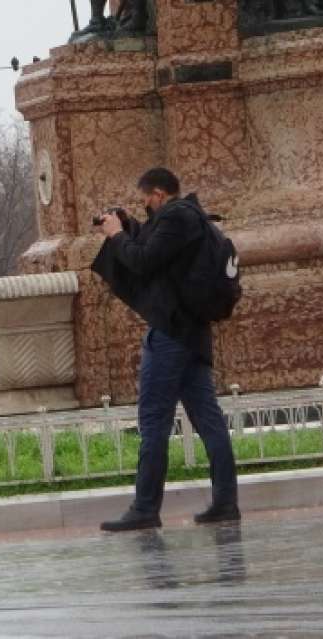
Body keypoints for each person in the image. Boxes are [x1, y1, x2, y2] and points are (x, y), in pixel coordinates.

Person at [91, 167, 239, 532]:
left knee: (154, 421)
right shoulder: (192, 220)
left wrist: (113, 237)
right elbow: (157, 251)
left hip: (172, 334)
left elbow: (142, 261)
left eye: (146, 201)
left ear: (158, 194)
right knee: (209, 420)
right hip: (193, 334)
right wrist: (127, 226)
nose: (146, 208)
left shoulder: (177, 216)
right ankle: (225, 503)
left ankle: (145, 508)